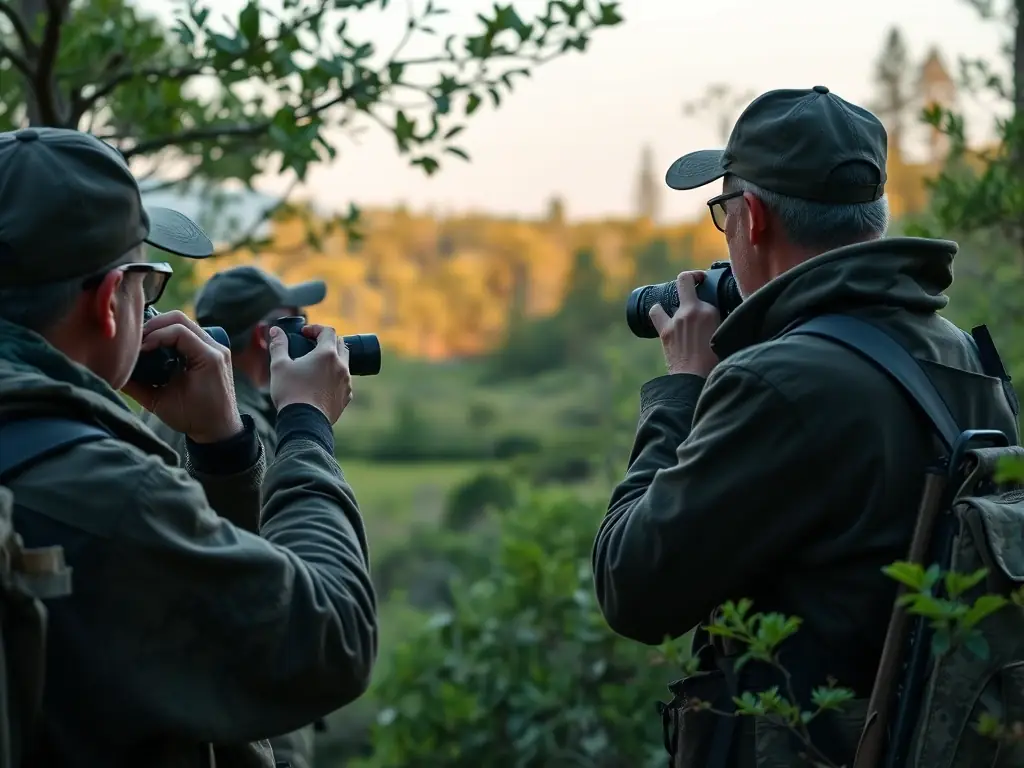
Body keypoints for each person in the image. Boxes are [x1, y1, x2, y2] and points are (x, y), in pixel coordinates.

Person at [592, 86, 1020, 767]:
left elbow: (632, 589)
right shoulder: (960, 355)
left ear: (753, 218)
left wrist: (681, 388)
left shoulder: (778, 383)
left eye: (722, 214)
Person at [0, 126, 378, 767]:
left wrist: (223, 451)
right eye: (148, 286)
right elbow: (328, 640)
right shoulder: (109, 494)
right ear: (109, 303)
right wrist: (306, 427)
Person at [142, 265, 330, 768]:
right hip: (253, 706)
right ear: (268, 338)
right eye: (299, 322)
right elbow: (290, 589)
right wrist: (309, 425)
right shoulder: (238, 434)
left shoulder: (177, 409)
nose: (313, 333)